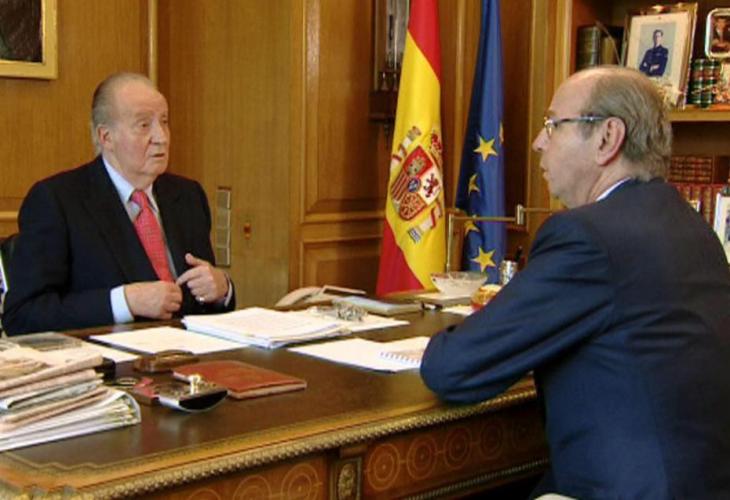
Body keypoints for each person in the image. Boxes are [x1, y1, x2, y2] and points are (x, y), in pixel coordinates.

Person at [420, 66, 730, 498]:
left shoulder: (587, 237)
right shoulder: (692, 227)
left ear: (607, 138)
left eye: (553, 125)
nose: (538, 142)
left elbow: (452, 368)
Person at [3, 72, 235, 335]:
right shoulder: (57, 200)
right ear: (106, 137)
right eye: (144, 125)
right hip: (109, 357)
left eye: (164, 121)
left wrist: (222, 289)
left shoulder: (188, 195)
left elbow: (206, 307)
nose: (161, 137)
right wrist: (124, 302)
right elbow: (23, 316)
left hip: (192, 353)